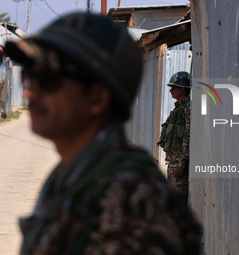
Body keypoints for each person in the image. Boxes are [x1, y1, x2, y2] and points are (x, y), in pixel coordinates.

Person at [5, 12, 201, 255]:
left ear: (97, 98)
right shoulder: (74, 172)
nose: (29, 93)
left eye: (46, 79)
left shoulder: (133, 202)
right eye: (29, 76)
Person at [157, 72, 191, 203]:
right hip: (172, 162)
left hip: (178, 165)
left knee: (178, 202)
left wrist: (181, 163)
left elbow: (187, 137)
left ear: (182, 89)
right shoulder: (178, 108)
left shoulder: (188, 108)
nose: (170, 90)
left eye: (173, 88)